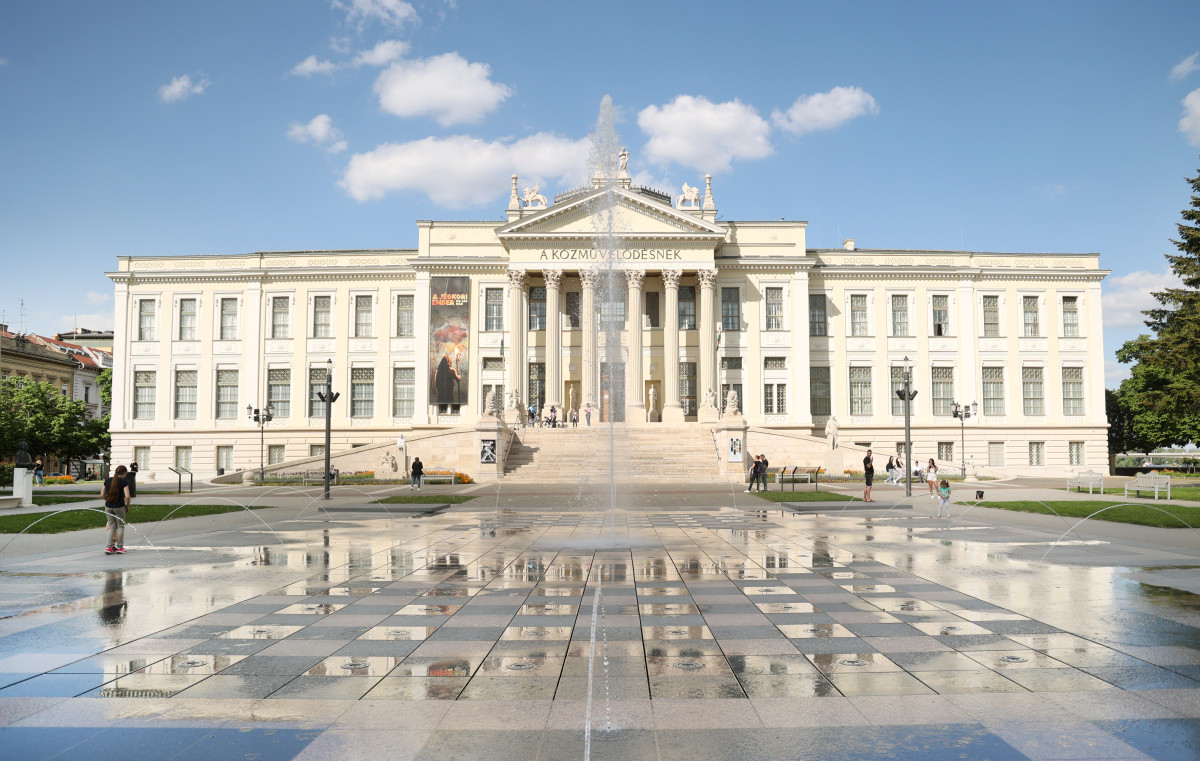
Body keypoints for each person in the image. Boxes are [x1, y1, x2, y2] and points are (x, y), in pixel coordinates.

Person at [101, 464, 132, 555]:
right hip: (119, 507)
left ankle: (109, 547)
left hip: (108, 506)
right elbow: (127, 497)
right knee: (120, 526)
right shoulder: (124, 482)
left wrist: (108, 500)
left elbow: (102, 494)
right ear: (124, 473)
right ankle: (120, 547)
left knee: (111, 526)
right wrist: (127, 506)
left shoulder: (107, 480)